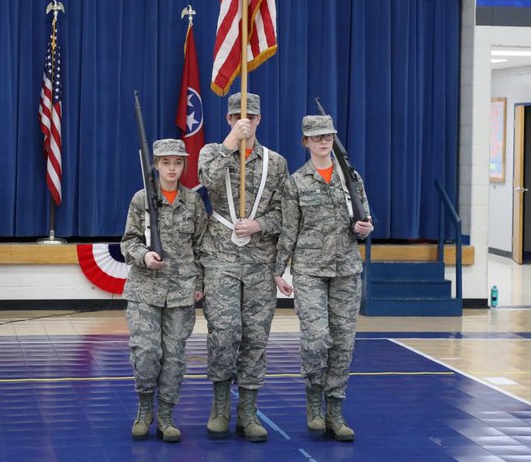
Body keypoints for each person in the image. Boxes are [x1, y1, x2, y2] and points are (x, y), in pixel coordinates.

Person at [197, 92, 290, 442]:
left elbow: (286, 212)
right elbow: (208, 181)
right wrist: (231, 140)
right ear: (228, 117)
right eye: (237, 114)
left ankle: (248, 410)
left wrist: (259, 225)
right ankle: (220, 406)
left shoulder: (275, 163)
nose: (245, 119)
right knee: (223, 332)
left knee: (254, 336)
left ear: (260, 119)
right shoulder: (212, 151)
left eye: (250, 115)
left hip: (259, 261)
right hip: (220, 257)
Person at [275, 114, 373, 441]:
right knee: (317, 339)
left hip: (345, 269)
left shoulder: (351, 178)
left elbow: (365, 221)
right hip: (310, 270)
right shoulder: (296, 182)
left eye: (328, 136)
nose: (323, 141)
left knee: (343, 344)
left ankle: (335, 410)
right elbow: (288, 229)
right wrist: (279, 269)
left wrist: (364, 230)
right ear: (305, 142)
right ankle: (313, 401)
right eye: (316, 137)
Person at [120, 139, 207, 442]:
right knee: (146, 353)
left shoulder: (193, 202)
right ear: (155, 165)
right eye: (166, 163)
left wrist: (200, 283)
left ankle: (166, 416)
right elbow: (128, 241)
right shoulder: (141, 199)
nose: (172, 168)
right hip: (144, 289)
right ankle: (145, 409)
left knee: (174, 358)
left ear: (184, 166)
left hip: (181, 292)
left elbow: (201, 247)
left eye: (178, 163)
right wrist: (143, 256)